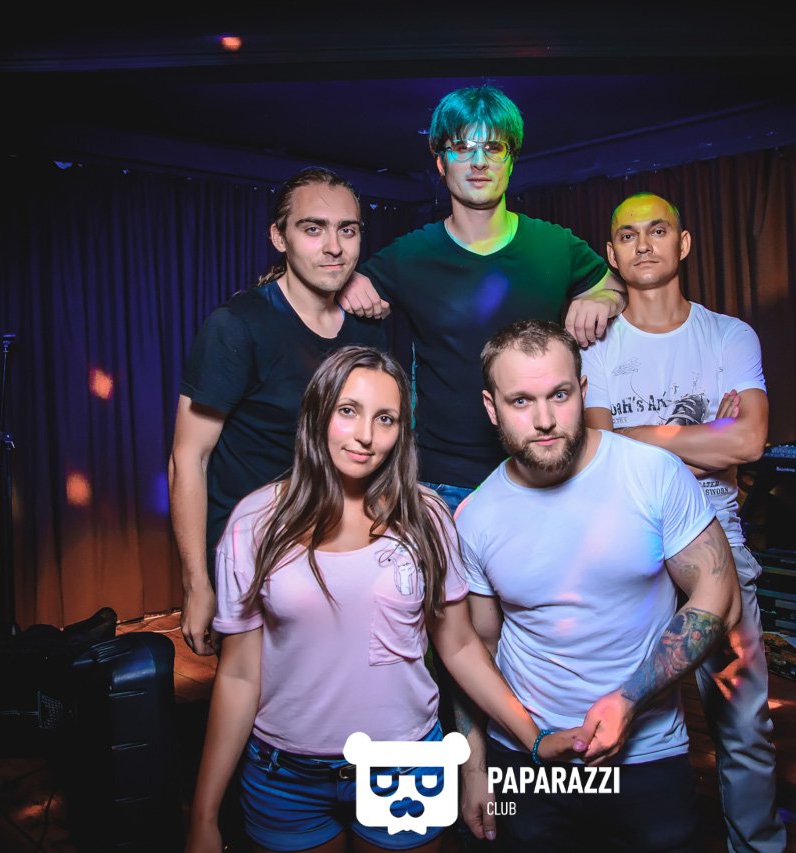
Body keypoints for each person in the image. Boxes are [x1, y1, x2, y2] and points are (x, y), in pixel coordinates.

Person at [186, 345, 584, 853]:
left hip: (406, 767)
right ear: (317, 413)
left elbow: (460, 646)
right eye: (348, 411)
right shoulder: (256, 522)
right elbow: (239, 675)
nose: (366, 435)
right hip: (287, 778)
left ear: (401, 432)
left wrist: (532, 737)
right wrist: (204, 815)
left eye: (385, 418)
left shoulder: (426, 517)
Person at [453, 320, 743, 852]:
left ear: (583, 391)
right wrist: (474, 769)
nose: (544, 420)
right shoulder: (475, 517)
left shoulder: (652, 473)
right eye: (521, 401)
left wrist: (629, 699)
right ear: (492, 408)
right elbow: (476, 650)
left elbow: (718, 597)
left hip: (646, 751)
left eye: (559, 395)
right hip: (526, 756)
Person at [581, 192, 785, 852]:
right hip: (626, 533)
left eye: (658, 230)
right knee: (614, 711)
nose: (644, 244)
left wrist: (638, 437)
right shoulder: (597, 347)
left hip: (714, 529)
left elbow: (749, 441)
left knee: (743, 723)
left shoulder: (729, 335)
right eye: (628, 235)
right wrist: (703, 439)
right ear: (612, 254)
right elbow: (594, 452)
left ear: (684, 243)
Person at [337, 84, 626, 512]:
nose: (478, 162)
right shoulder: (410, 255)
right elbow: (332, 294)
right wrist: (347, 284)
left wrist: (603, 297)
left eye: (493, 148)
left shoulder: (555, 245)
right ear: (441, 162)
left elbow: (617, 286)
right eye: (462, 148)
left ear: (511, 160)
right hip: (443, 484)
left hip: (544, 473)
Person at [169, 167, 385, 657]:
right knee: (258, 695)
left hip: (337, 550)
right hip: (255, 557)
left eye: (347, 230)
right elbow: (188, 458)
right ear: (279, 236)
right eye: (313, 229)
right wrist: (197, 582)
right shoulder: (236, 327)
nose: (333, 247)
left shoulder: (367, 329)